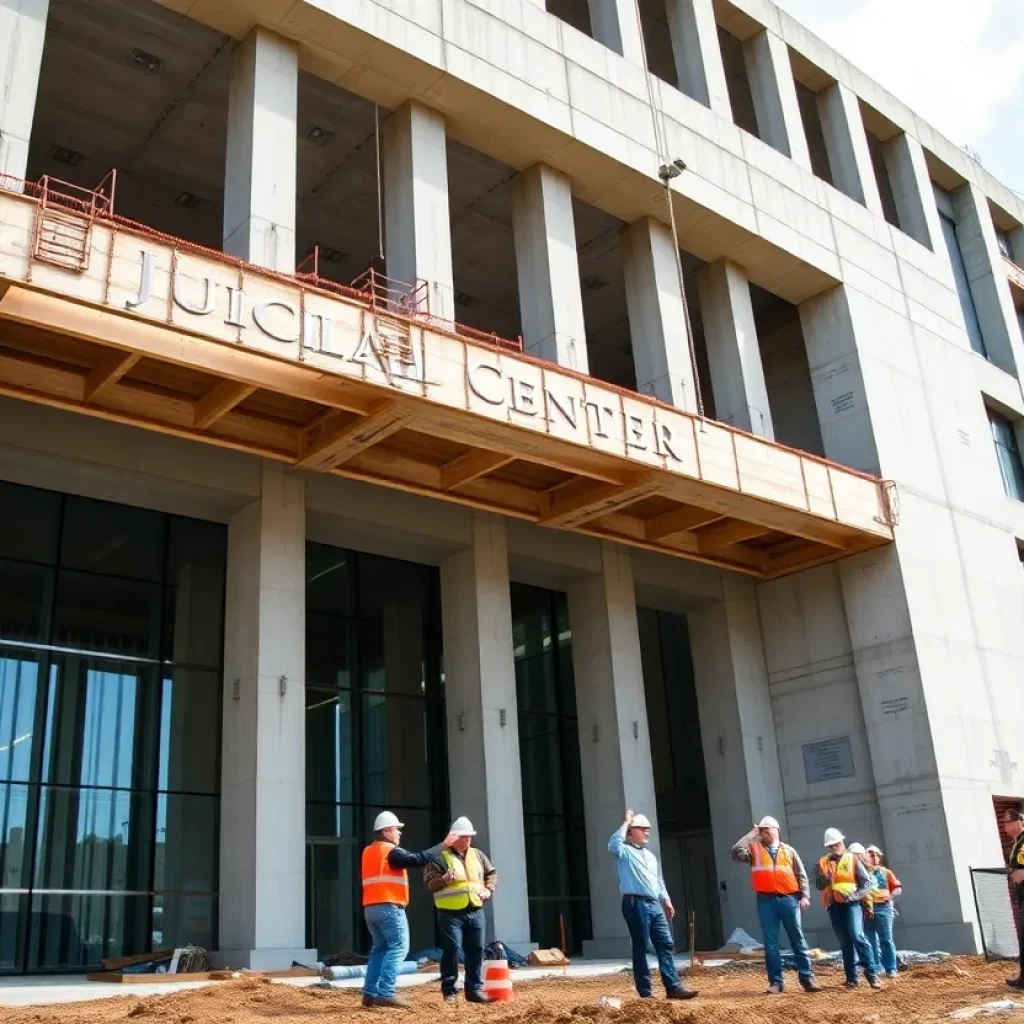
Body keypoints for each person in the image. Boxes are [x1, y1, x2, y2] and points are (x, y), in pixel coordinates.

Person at [360, 811, 458, 1008]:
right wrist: (444, 845)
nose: (399, 834)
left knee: (379, 950)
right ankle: (385, 992)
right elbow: (419, 859)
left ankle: (369, 994)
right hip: (389, 907)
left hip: (371, 909)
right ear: (386, 831)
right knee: (398, 948)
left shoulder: (369, 851)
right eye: (396, 829)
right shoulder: (391, 851)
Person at [608, 809, 698, 1001]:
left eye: (648, 829)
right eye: (642, 829)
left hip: (653, 904)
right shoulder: (624, 851)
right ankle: (646, 993)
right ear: (631, 831)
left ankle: (673, 987)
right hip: (635, 903)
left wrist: (666, 899)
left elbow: (658, 880)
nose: (647, 832)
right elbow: (612, 844)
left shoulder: (650, 856)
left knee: (665, 944)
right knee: (641, 946)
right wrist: (626, 822)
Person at [731, 816, 820, 995]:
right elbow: (735, 852)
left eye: (766, 829)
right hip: (766, 901)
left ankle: (807, 978)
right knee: (771, 943)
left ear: (775, 830)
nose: (764, 832)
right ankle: (776, 982)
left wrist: (805, 897)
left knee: (798, 939)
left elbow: (801, 875)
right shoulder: (754, 850)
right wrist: (752, 833)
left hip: (790, 899)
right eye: (761, 829)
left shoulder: (789, 851)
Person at [423, 816, 497, 1004]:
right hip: (450, 913)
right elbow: (429, 884)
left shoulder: (478, 855)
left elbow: (491, 873)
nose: (468, 840)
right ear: (454, 838)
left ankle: (474, 990)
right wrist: (444, 880)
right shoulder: (439, 857)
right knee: (452, 950)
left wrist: (488, 889)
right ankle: (449, 991)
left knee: (476, 950)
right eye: (464, 837)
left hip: (475, 910)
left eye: (470, 836)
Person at [816, 828, 882, 989]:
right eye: (830, 846)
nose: (834, 848)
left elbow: (866, 883)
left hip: (852, 904)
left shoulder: (852, 859)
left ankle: (871, 974)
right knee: (845, 941)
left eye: (836, 844)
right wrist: (826, 878)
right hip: (834, 906)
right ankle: (851, 978)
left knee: (857, 935)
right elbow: (818, 884)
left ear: (842, 843)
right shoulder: (823, 862)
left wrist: (852, 897)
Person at [862, 844, 902, 980]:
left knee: (886, 939)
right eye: (870, 854)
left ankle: (891, 968)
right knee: (870, 940)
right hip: (866, 908)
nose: (873, 857)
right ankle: (876, 968)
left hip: (883, 907)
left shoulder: (885, 872)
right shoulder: (862, 872)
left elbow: (897, 888)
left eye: (875, 855)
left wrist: (889, 897)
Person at [1001, 807, 1024, 991]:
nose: (1005, 826)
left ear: (1018, 821)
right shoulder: (1016, 843)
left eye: (1007, 822)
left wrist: (1019, 872)